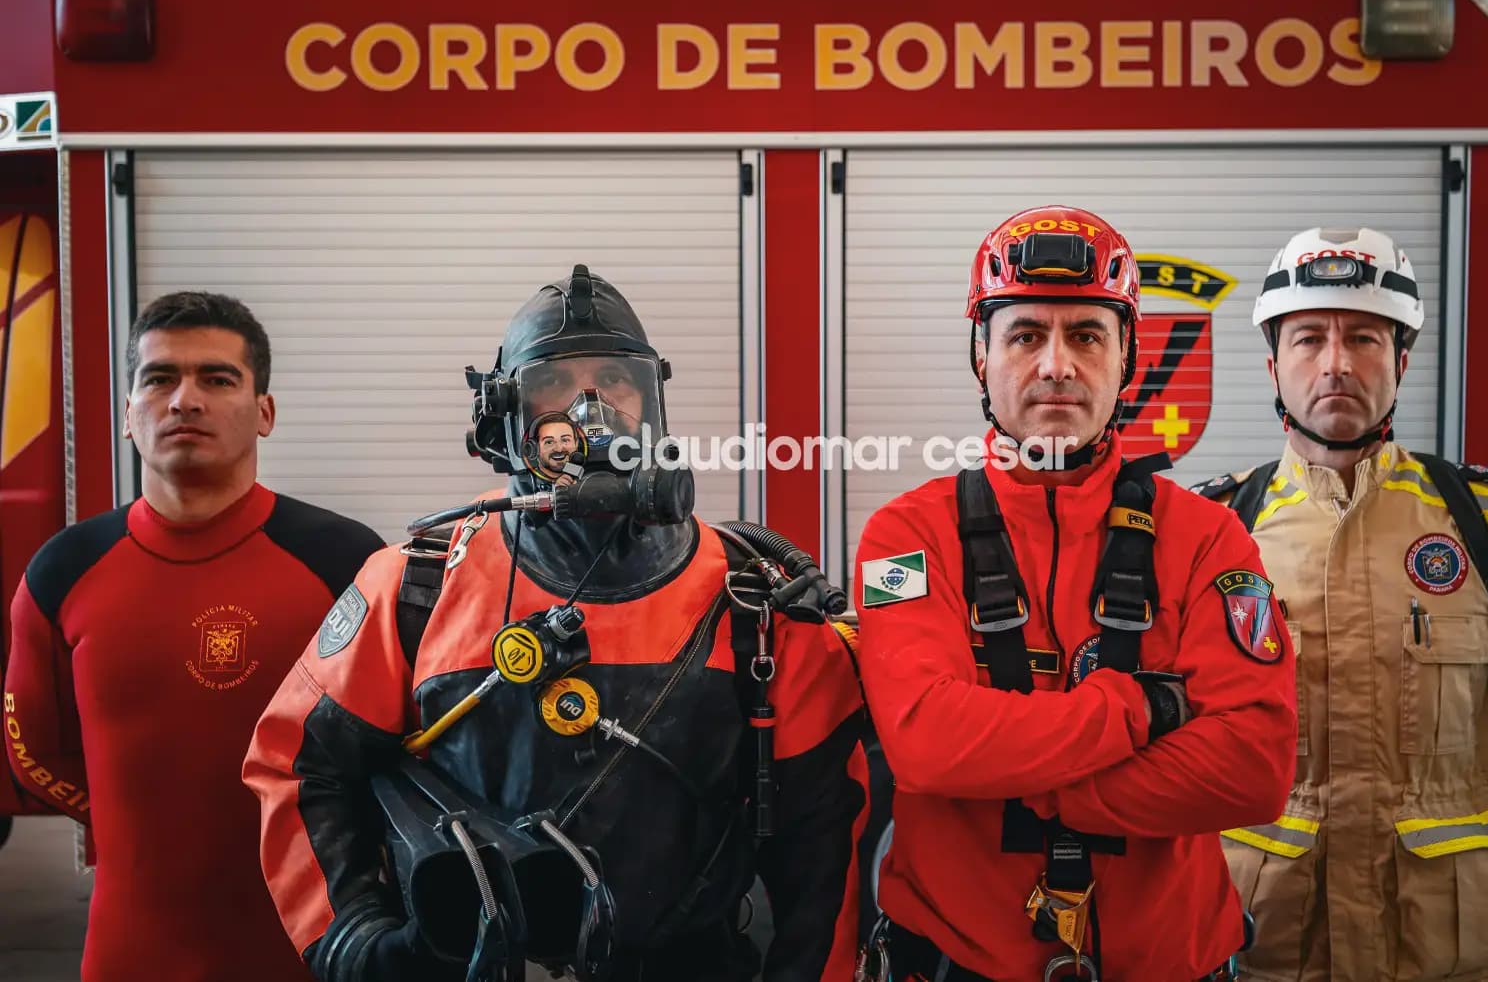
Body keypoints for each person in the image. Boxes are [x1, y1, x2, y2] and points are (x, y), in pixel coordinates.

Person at [244, 264, 868, 982]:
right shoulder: (415, 587)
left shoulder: (757, 601)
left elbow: (822, 836)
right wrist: (354, 936)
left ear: (653, 406)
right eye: (555, 388)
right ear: (502, 420)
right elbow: (298, 765)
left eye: (616, 383)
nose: (590, 411)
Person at [853, 206, 1300, 982]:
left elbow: (1254, 766)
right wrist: (1141, 711)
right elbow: (924, 741)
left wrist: (1051, 790)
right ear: (981, 357)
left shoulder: (1210, 540)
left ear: (1127, 359)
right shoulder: (904, 539)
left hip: (1170, 959)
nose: (1056, 364)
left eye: (1087, 335)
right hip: (958, 960)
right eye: (1025, 334)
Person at [1199, 227, 1488, 982]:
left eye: (1365, 338)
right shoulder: (1216, 531)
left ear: (1402, 360)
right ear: (1273, 364)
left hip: (1445, 951)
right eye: (1309, 338)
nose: (1337, 363)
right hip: (1263, 943)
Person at [3, 291, 384, 982]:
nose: (184, 399)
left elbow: (399, 746)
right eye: (158, 378)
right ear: (128, 415)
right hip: (130, 953)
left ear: (264, 413)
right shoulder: (63, 572)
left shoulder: (347, 563)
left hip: (312, 956)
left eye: (216, 378)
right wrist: (141, 821)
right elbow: (34, 752)